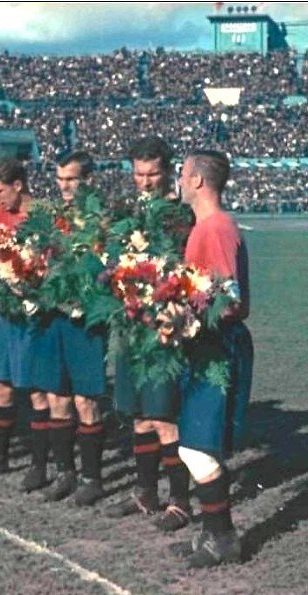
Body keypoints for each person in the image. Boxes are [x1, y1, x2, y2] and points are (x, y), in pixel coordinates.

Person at [106, 137, 196, 532]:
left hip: (163, 330)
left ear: (167, 172)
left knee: (164, 418)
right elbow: (109, 262)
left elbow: (186, 269)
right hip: (130, 328)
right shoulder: (123, 212)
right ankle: (145, 493)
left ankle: (180, 499)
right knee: (139, 416)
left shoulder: (181, 216)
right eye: (139, 174)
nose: (145, 181)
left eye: (153, 174)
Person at [173, 149, 254, 567]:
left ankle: (223, 539)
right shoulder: (205, 226)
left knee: (198, 449)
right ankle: (210, 532)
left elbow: (228, 299)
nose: (180, 180)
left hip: (217, 345)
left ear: (199, 181)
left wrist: (179, 315)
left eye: (183, 174)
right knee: (198, 446)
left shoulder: (217, 227)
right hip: (204, 344)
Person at [27, 150, 110, 506]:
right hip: (52, 318)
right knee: (57, 397)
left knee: (86, 399)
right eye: (60, 180)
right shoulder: (49, 217)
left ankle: (92, 479)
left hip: (85, 321)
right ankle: (65, 474)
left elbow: (111, 268)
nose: (64, 186)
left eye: (71, 179)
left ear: (88, 180)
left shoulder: (103, 219)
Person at [0, 159, 51, 489]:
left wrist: (24, 269)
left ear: (18, 185)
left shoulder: (43, 213)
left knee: (36, 389)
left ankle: (39, 465)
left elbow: (48, 261)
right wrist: (6, 270)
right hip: (6, 311)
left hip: (34, 312)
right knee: (1, 384)